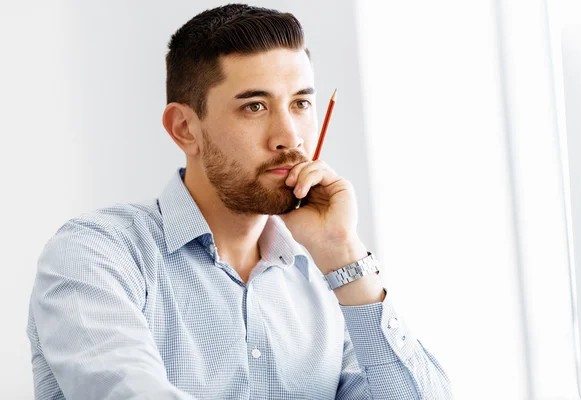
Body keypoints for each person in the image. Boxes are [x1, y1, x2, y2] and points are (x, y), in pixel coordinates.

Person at [26, 4, 453, 399]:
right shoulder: (96, 254)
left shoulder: (324, 286)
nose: (289, 136)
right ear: (184, 129)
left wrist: (344, 254)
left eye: (301, 102)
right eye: (254, 106)